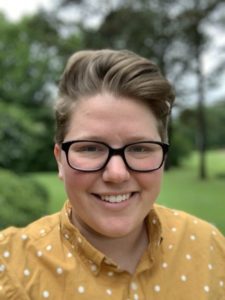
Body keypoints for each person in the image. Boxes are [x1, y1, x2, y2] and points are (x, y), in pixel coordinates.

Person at [0, 49, 224, 300]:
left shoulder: (209, 248)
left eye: (140, 148)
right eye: (90, 148)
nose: (116, 174)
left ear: (163, 158)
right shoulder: (10, 269)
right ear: (60, 160)